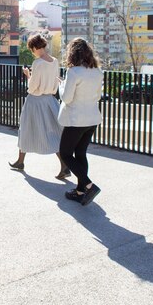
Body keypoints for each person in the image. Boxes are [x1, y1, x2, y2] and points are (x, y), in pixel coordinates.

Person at [9, 34, 69, 179]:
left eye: (31, 49)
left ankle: (20, 162)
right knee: (52, 132)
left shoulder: (38, 63)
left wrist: (27, 75)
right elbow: (55, 83)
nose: (32, 52)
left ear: (34, 47)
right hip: (50, 100)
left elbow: (32, 87)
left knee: (25, 129)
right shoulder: (54, 61)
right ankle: (64, 165)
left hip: (35, 102)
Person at [58, 37, 103, 206]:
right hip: (92, 119)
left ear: (72, 53)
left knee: (65, 153)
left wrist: (61, 86)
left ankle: (89, 185)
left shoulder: (74, 72)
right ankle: (80, 191)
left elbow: (67, 98)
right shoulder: (97, 71)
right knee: (81, 153)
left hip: (76, 120)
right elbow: (97, 96)